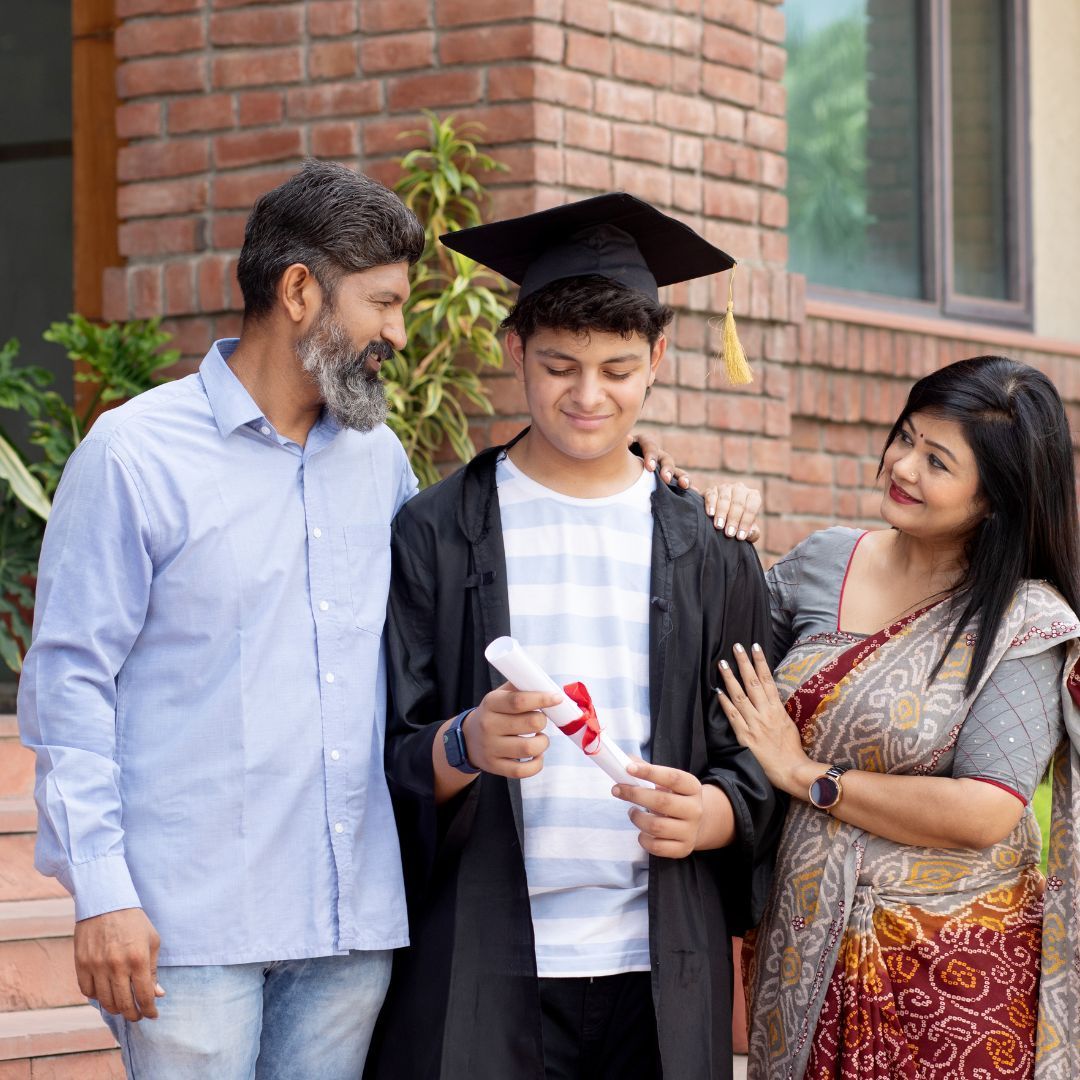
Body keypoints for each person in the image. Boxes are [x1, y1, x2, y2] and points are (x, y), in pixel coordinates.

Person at [17, 160, 430, 1079]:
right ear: (298, 292)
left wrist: (644, 480)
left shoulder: (379, 459)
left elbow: (461, 577)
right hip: (187, 927)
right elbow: (70, 688)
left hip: (347, 923)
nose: (397, 334)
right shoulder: (133, 455)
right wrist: (102, 893)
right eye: (384, 303)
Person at [367, 192, 782, 1080]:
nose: (589, 397)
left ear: (659, 360)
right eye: (559, 366)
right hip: (477, 963)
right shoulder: (436, 532)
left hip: (658, 965)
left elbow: (759, 756)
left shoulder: (710, 546)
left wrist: (710, 815)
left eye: (619, 369)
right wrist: (465, 742)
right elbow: (383, 751)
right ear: (514, 349)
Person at [712, 355, 1080, 1079]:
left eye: (937, 461)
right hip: (801, 939)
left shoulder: (1023, 623)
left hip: (952, 979)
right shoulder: (825, 560)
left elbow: (985, 810)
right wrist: (714, 509)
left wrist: (808, 775)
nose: (902, 466)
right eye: (905, 437)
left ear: (996, 500)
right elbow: (720, 656)